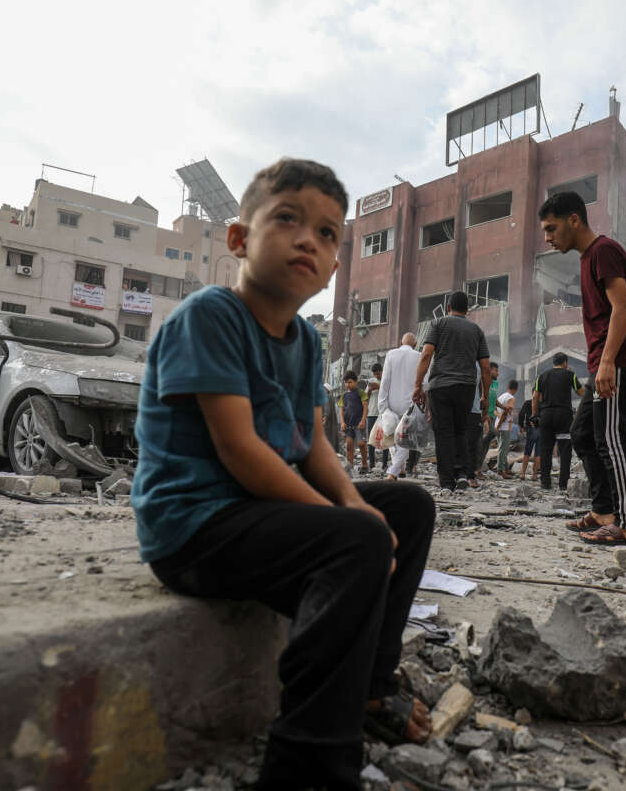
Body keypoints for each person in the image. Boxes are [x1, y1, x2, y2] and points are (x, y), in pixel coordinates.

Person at [132, 158, 434, 789]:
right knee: (358, 539)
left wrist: (352, 499)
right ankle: (307, 766)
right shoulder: (210, 316)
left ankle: (372, 692)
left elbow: (316, 445)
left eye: (328, 234)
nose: (309, 240)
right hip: (195, 525)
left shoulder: (305, 341)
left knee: (405, 507)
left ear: (331, 269)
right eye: (288, 219)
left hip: (255, 515)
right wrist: (341, 519)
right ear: (240, 239)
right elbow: (241, 450)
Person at [538, 191, 626, 545]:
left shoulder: (603, 251)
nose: (548, 237)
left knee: (611, 439)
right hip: (605, 362)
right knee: (583, 435)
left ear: (574, 220)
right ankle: (603, 511)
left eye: (551, 228)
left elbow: (622, 308)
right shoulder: (588, 256)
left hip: (616, 361)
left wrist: (607, 362)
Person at [413, 292, 492, 491]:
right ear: (467, 310)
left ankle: (447, 480)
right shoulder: (476, 330)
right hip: (466, 387)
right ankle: (463, 474)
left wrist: (418, 385)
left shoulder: (437, 324)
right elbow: (485, 367)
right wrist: (485, 395)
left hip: (441, 385)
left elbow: (426, 354)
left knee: (444, 433)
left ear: (448, 306)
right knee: (461, 431)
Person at [533, 352, 582, 491]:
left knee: (546, 449)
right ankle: (563, 484)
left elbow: (535, 397)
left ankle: (545, 483)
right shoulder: (570, 375)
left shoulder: (541, 376)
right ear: (565, 362)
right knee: (565, 450)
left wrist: (534, 415)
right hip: (564, 416)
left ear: (553, 363)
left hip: (546, 416)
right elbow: (581, 392)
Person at [377, 335, 420, 481]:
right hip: (410, 404)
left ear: (401, 342)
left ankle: (396, 470)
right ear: (415, 343)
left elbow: (385, 380)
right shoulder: (419, 356)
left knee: (392, 436)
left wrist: (382, 404)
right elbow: (424, 383)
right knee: (404, 439)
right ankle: (394, 471)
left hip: (391, 402)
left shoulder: (391, 354)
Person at [476, 362, 502, 477]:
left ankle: (478, 469)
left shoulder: (495, 383)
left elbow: (494, 399)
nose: (498, 373)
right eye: (496, 371)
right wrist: (484, 416)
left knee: (485, 443)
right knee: (492, 433)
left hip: (490, 415)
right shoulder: (483, 381)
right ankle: (475, 469)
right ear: (490, 370)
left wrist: (503, 407)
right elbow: (482, 399)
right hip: (482, 415)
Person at [340, 371, 368, 473]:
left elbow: (365, 407)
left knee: (361, 443)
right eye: (346, 382)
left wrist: (363, 420)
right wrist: (342, 423)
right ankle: (350, 467)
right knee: (349, 445)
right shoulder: (344, 395)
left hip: (359, 423)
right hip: (348, 424)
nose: (348, 384)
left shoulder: (361, 392)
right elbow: (342, 410)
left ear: (356, 382)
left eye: (350, 382)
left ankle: (365, 465)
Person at [366, 363, 389, 473]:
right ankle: (371, 463)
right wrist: (370, 389)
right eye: (375, 374)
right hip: (372, 413)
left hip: (384, 413)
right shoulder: (371, 381)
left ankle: (385, 464)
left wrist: (379, 387)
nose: (377, 376)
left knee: (385, 438)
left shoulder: (386, 380)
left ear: (382, 371)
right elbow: (366, 397)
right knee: (371, 439)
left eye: (378, 374)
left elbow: (389, 393)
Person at [495, 379, 519, 477]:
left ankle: (505, 468)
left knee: (503, 448)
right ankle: (500, 471)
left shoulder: (501, 396)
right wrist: (500, 424)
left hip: (498, 425)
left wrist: (498, 422)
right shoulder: (511, 398)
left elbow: (495, 410)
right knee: (503, 449)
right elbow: (506, 412)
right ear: (516, 389)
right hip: (504, 427)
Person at [518, 393, 540, 480]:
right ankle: (534, 475)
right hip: (541, 429)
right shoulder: (544, 403)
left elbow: (521, 414)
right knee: (538, 453)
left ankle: (523, 474)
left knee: (527, 451)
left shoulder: (528, 403)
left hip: (531, 429)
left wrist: (521, 426)